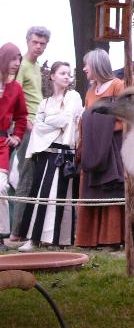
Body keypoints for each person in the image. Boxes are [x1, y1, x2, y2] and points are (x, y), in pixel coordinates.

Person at [17, 62, 82, 252]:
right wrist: (53, 123)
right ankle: (33, 238)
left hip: (63, 154)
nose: (66, 76)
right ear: (52, 76)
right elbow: (38, 126)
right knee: (39, 195)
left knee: (57, 197)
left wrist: (49, 121)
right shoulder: (44, 103)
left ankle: (56, 239)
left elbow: (68, 119)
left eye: (68, 74)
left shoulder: (73, 96)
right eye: (62, 73)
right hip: (45, 153)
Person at [75, 49, 125, 249]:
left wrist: (101, 126)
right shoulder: (89, 92)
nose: (84, 69)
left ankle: (111, 239)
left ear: (96, 65)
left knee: (110, 191)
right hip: (92, 148)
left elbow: (125, 117)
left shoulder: (118, 86)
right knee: (90, 190)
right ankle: (88, 239)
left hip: (112, 148)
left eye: (87, 64)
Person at [11, 26, 51, 241]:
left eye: (42, 44)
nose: (38, 46)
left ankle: (26, 229)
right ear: (27, 41)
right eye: (35, 42)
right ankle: (16, 232)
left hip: (39, 126)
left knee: (34, 177)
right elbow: (14, 96)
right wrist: (25, 122)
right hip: (26, 127)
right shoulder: (22, 66)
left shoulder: (35, 67)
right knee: (25, 178)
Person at [0, 43, 28, 248]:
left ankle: (1, 234)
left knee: (1, 187)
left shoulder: (16, 88)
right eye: (13, 59)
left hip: (2, 143)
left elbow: (21, 116)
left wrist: (17, 136)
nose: (17, 63)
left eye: (19, 59)